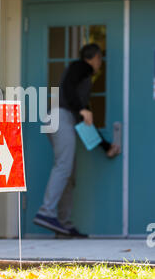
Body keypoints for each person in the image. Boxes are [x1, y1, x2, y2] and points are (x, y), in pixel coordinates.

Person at [33, 43, 120, 238]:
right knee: (63, 166)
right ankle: (46, 212)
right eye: (100, 60)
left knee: (69, 174)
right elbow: (69, 87)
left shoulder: (83, 84)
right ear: (95, 57)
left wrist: (105, 147)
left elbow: (86, 124)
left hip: (64, 118)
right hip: (60, 117)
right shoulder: (80, 67)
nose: (100, 64)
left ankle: (64, 226)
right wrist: (81, 108)